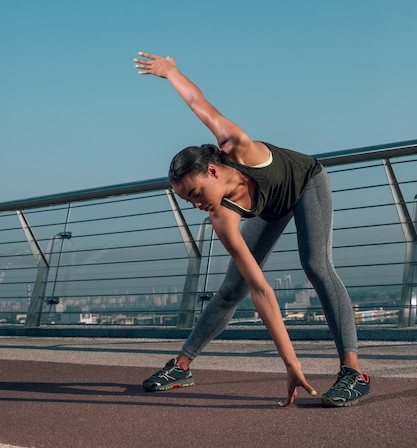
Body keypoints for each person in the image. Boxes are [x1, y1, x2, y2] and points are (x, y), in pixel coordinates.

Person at [133, 51, 370, 407]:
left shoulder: (236, 145)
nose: (197, 204)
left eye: (197, 194)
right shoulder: (222, 218)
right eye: (189, 202)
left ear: (212, 171)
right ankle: (181, 366)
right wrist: (291, 365)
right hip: (267, 208)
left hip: (306, 183)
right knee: (232, 289)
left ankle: (354, 373)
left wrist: (171, 72)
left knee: (316, 265)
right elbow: (261, 291)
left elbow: (198, 103)